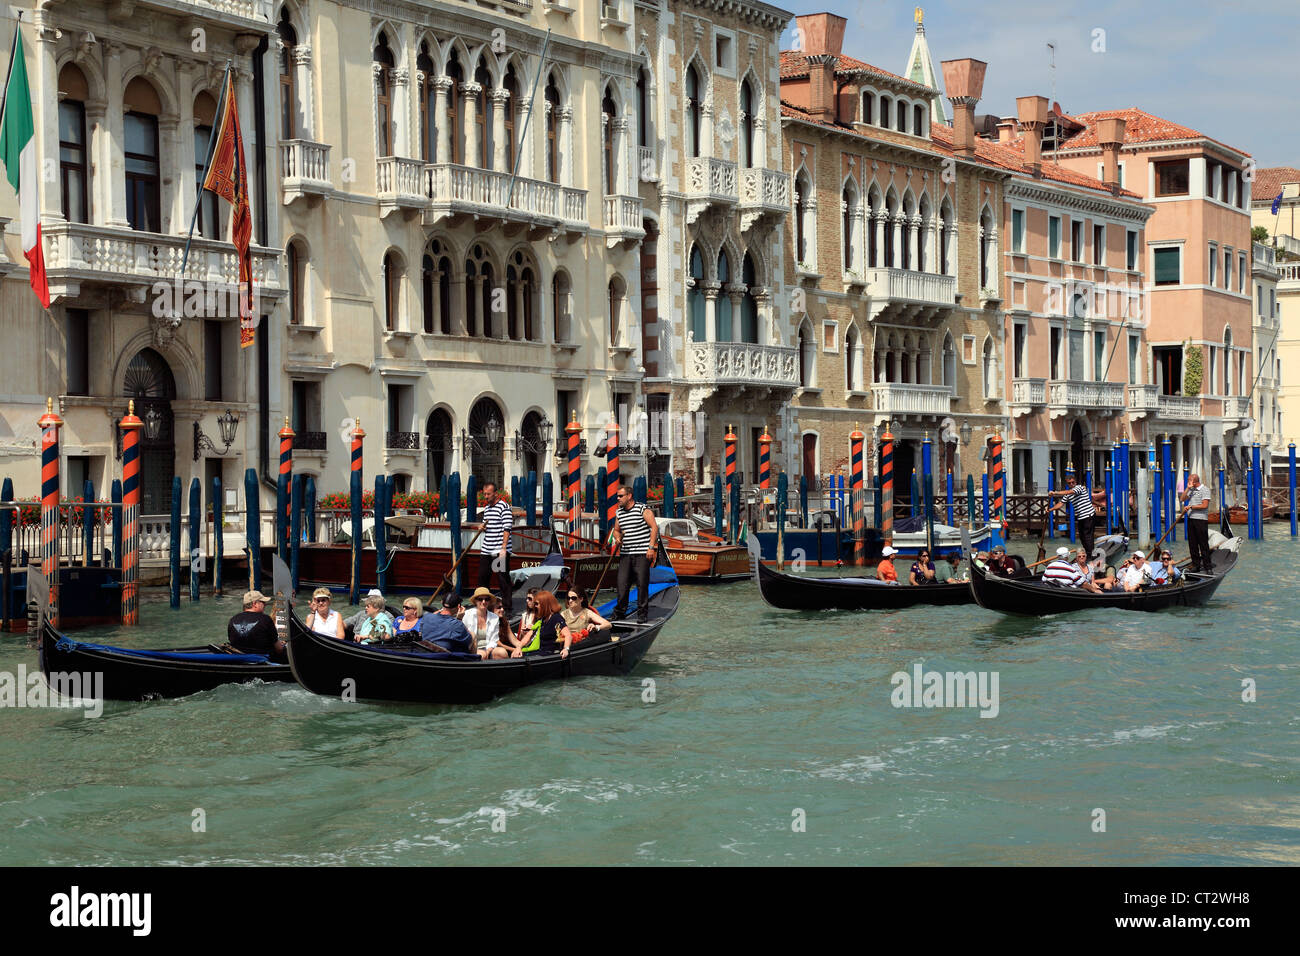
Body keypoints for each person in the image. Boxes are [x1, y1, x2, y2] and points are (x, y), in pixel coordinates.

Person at [611, 484, 658, 624]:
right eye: (617, 496)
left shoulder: (642, 509)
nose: (618, 498)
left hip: (642, 553)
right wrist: (617, 537)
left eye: (620, 496)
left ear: (629, 496)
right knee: (622, 584)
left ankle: (642, 614)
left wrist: (651, 548)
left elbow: (654, 527)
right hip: (626, 553)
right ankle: (619, 613)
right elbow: (616, 530)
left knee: (642, 584)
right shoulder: (619, 512)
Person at [1048, 472, 1105, 557]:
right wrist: (1050, 509)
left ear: (1075, 482)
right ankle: (1088, 553)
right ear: (1067, 483)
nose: (1071, 484)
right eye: (1069, 483)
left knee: (1087, 536)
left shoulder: (1079, 488)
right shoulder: (1068, 494)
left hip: (1089, 515)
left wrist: (1055, 493)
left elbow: (1071, 491)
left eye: (1073, 482)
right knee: (1082, 537)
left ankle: (1091, 555)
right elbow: (1060, 503)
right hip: (1081, 517)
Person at [227, 590, 287, 662]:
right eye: (263, 602)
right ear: (255, 603)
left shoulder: (233, 619)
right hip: (262, 659)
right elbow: (279, 649)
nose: (265, 605)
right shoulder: (265, 619)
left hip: (238, 658)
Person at [477, 481, 513, 601]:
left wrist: (503, 548)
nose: (486, 497)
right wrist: (482, 527)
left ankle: (507, 607)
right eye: (485, 494)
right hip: (487, 549)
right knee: (483, 578)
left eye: (488, 494)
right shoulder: (487, 508)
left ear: (495, 494)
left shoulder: (504, 507)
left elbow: (507, 528)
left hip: (499, 550)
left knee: (502, 579)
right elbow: (488, 524)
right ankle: (483, 604)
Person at [519, 590, 573, 659]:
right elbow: (529, 635)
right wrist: (518, 647)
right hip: (540, 652)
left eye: (536, 604)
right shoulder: (542, 619)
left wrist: (566, 649)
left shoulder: (556, 618)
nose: (535, 606)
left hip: (550, 654)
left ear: (544, 604)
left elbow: (568, 635)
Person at [462, 586, 504, 660]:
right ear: (475, 601)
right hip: (471, 648)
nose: (484, 602)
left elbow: (494, 640)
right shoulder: (467, 614)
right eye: (480, 599)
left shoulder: (495, 618)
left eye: (486, 599)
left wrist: (487, 651)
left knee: (502, 652)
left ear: (489, 601)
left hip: (488, 648)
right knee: (481, 655)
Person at [1181, 473, 1211, 572]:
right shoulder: (1191, 490)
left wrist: (1191, 507)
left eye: (1189, 481)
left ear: (1194, 481)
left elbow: (1204, 505)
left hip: (1201, 520)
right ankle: (1196, 565)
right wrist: (1187, 488)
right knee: (1192, 544)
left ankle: (1208, 567)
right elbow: (1182, 498)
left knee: (1203, 544)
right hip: (1191, 518)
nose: (1188, 483)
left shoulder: (1205, 489)